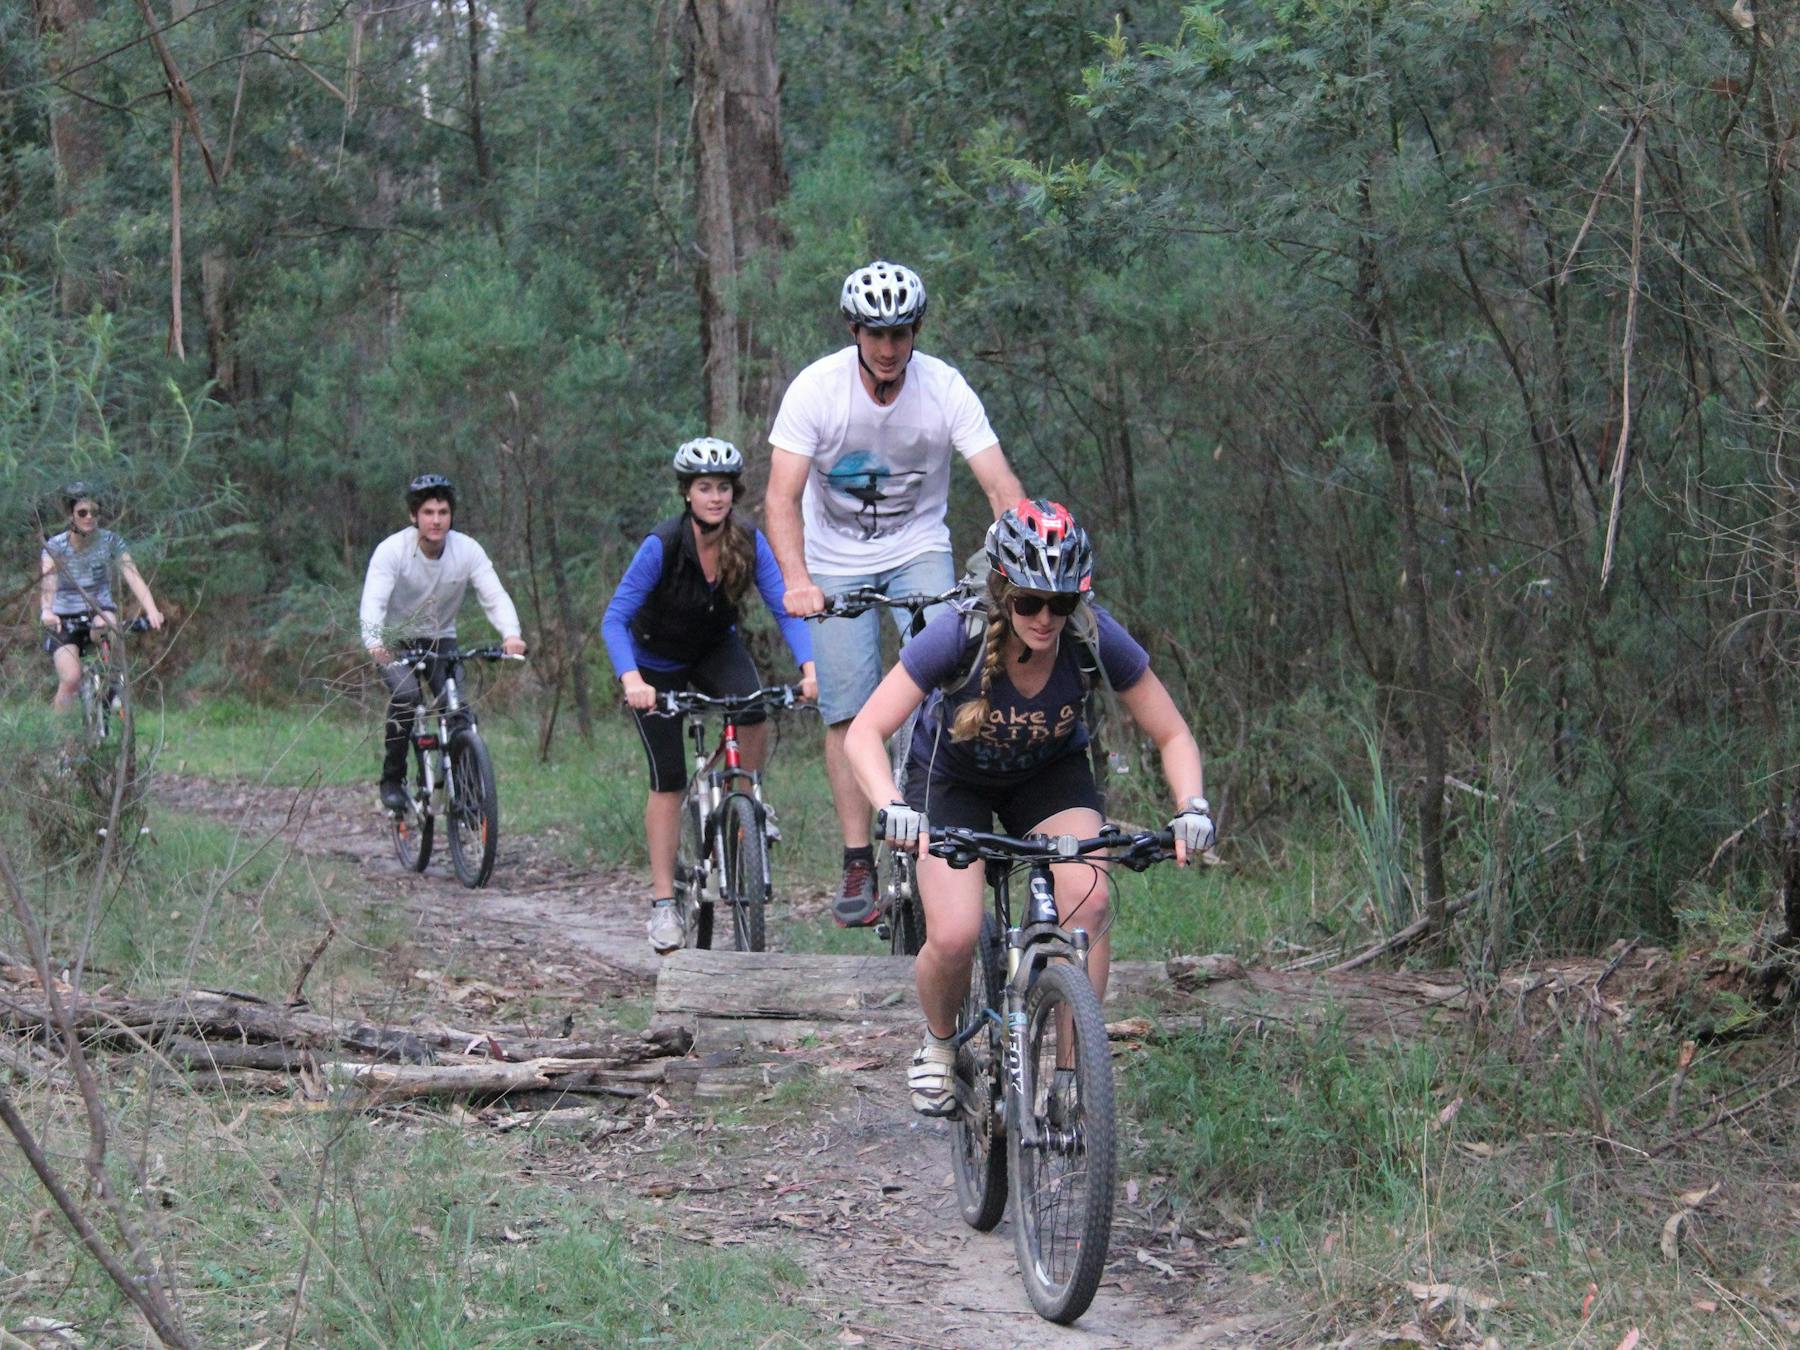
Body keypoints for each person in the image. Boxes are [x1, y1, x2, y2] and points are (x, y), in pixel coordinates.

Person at [843, 500, 1216, 1116]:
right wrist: (891, 806)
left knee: (1088, 902)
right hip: (952, 782)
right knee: (955, 933)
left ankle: (1074, 1078)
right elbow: (864, 732)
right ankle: (939, 1045)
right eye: (1029, 602)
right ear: (1002, 591)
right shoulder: (956, 633)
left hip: (1048, 778)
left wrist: (1192, 807)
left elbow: (1173, 733)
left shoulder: (1092, 635)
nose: (1046, 618)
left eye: (1061, 603)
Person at [767, 259, 1026, 927]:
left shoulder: (944, 388)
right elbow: (782, 497)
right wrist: (797, 581)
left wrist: (1023, 569)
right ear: (855, 332)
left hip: (918, 550)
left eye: (901, 333)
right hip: (833, 561)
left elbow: (999, 485)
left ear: (916, 332)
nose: (888, 348)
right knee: (848, 710)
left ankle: (943, 822)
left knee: (952, 680)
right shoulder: (816, 390)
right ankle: (858, 858)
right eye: (876, 334)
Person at [602, 437, 819, 955]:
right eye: (704, 487)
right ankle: (663, 904)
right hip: (656, 662)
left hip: (714, 650)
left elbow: (783, 605)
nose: (715, 497)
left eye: (723, 487)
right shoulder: (662, 545)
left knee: (754, 707)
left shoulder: (746, 539)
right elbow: (614, 619)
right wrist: (633, 681)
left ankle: (747, 803)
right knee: (669, 779)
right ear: (687, 493)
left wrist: (811, 669)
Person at [360, 474, 526, 814]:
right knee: (407, 697)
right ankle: (392, 781)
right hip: (394, 639)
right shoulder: (392, 551)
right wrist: (376, 643)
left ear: (451, 516)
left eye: (443, 512)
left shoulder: (467, 551)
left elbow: (493, 595)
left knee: (458, 710)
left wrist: (511, 634)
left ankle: (464, 793)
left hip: (440, 638)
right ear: (414, 516)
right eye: (428, 512)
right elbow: (373, 603)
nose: (436, 520)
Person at [40, 482, 165, 711]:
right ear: (70, 515)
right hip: (63, 618)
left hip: (99, 609)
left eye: (94, 512)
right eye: (82, 513)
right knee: (70, 679)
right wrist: (47, 610)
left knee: (107, 626)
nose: (89, 517)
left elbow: (132, 575)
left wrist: (151, 609)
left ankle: (113, 682)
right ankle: (59, 731)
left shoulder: (110, 541)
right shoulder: (55, 546)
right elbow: (49, 582)